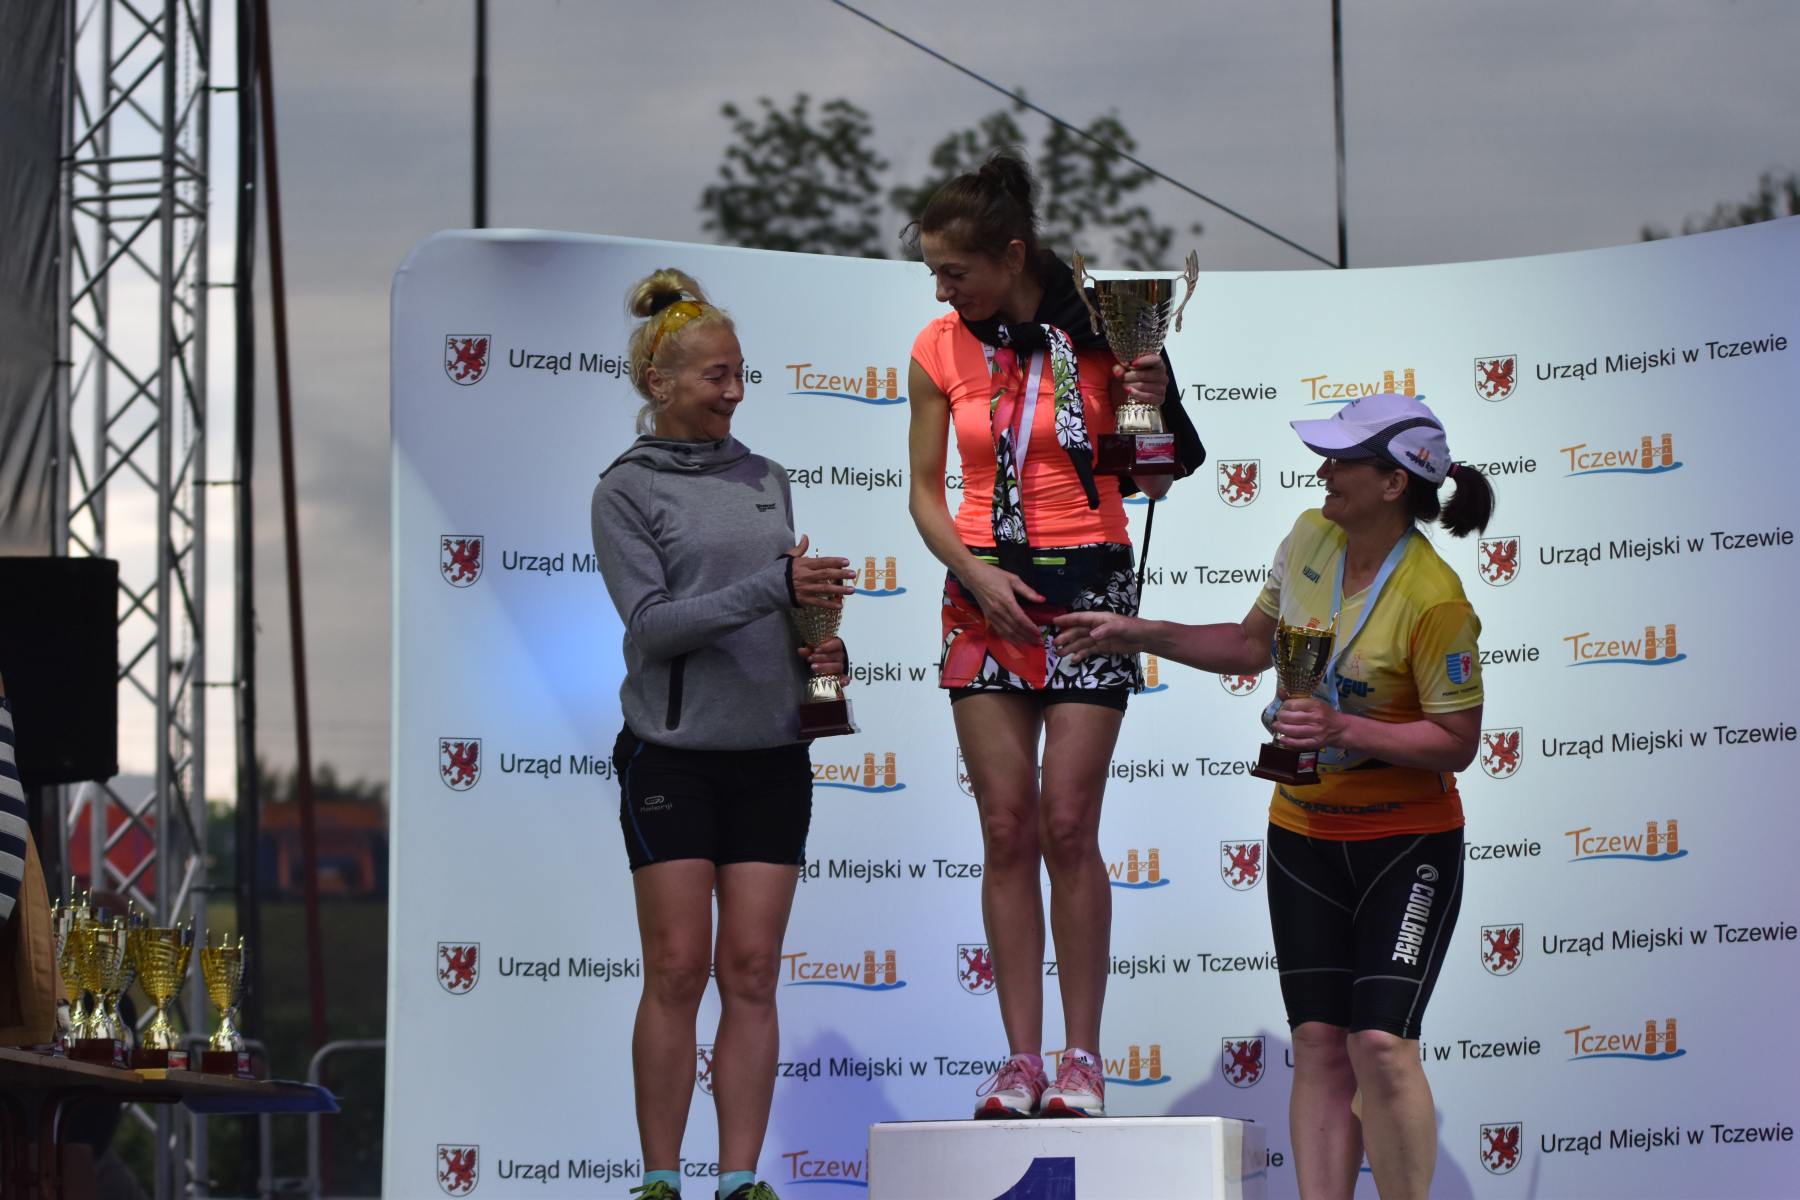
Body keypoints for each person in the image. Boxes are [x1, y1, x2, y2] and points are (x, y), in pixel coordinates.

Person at [1055, 393, 1494, 1199]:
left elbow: (1457, 742)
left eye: (1341, 461)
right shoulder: (1309, 536)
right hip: (1303, 836)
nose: (1323, 472)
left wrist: (1343, 728)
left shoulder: (1435, 597)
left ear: (1394, 482)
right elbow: (1249, 646)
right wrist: (1137, 632)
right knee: (1320, 1045)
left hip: (1406, 845)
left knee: (1382, 1045)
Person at [904, 153, 1203, 1119]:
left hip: (1088, 584)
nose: (941, 290)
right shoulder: (937, 347)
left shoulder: (1107, 332)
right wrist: (974, 573)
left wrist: (1151, 392)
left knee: (1068, 825)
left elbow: (1154, 477)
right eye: (934, 273)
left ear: (1012, 254)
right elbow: (923, 492)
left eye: (955, 271)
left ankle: (1083, 1059)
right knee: (1005, 828)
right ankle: (1019, 1061)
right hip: (982, 588)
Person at [591, 270, 854, 1200]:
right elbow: (653, 628)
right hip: (674, 755)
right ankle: (661, 1178)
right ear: (658, 382)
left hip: (773, 755)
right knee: (677, 969)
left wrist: (821, 647)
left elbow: (782, 611)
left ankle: (740, 1179)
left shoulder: (766, 477)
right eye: (716, 376)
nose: (735, 392)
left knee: (751, 972)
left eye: (742, 373)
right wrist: (770, 589)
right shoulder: (625, 490)